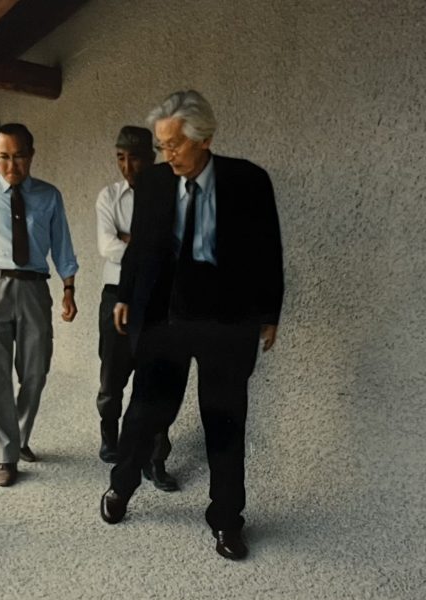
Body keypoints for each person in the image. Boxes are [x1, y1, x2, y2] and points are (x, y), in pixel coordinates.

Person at [99, 91, 284, 562]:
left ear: (204, 139)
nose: (168, 155)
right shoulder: (155, 182)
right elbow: (139, 246)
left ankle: (227, 519)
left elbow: (268, 249)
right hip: (166, 317)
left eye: (175, 144)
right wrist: (125, 295)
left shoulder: (248, 181)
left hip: (226, 320)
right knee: (145, 412)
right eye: (162, 146)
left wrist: (269, 313)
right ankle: (121, 486)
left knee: (224, 422)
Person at [0, 123, 79, 487]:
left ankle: (20, 436)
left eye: (19, 156)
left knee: (35, 371)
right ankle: (6, 454)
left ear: (31, 155)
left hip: (34, 288)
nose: (11, 165)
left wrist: (69, 289)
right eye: (3, 157)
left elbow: (62, 245)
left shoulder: (49, 196)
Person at [94, 126, 178, 492]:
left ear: (152, 157)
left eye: (136, 157)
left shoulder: (171, 194)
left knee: (157, 380)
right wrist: (148, 247)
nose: (128, 166)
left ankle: (156, 459)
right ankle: (110, 437)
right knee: (112, 376)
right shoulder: (109, 197)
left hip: (158, 299)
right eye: (120, 157)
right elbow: (107, 246)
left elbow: (174, 247)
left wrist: (134, 242)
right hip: (116, 294)